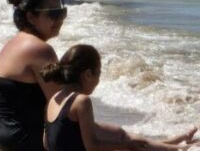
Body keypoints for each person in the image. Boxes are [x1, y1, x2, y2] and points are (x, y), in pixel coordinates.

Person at [42, 44, 198, 151]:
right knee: (123, 142)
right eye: (99, 73)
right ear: (88, 75)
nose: (98, 80)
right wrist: (126, 145)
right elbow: (91, 146)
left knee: (118, 135)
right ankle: (181, 147)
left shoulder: (54, 98)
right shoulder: (81, 101)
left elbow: (46, 141)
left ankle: (176, 144)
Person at [0, 0, 67, 151]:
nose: (60, 19)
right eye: (54, 14)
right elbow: (61, 105)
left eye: (63, 12)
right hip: (24, 139)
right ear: (31, 17)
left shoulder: (14, 43)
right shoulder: (40, 49)